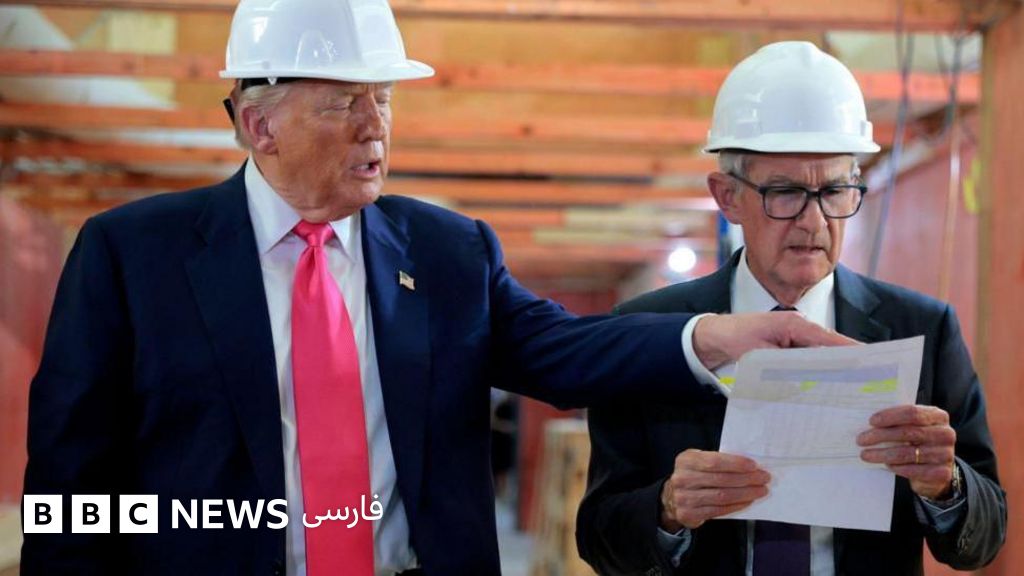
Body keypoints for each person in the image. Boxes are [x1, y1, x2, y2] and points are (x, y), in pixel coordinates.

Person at [19, 5, 852, 576]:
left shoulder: (448, 252)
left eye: (382, 98)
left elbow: (562, 351)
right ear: (257, 124)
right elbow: (68, 485)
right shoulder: (133, 256)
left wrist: (711, 337)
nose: (376, 126)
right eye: (344, 102)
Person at [577, 41, 1006, 576]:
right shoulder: (649, 332)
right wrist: (666, 509)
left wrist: (946, 485)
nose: (814, 221)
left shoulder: (922, 329)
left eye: (835, 191)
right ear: (727, 196)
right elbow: (598, 537)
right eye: (785, 193)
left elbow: (985, 537)